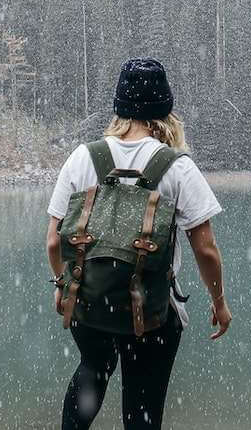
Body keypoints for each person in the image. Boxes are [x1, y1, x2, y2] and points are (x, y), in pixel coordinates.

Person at [46, 58, 232, 430]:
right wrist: (219, 302)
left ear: (120, 109)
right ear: (166, 111)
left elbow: (54, 241)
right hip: (151, 311)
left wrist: (63, 284)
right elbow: (206, 250)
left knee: (92, 369)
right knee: (142, 404)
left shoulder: (84, 157)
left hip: (90, 299)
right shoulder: (178, 166)